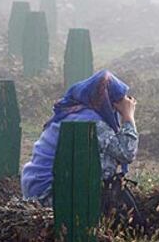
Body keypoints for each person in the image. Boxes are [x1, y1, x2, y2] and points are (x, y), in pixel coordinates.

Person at [21, 70, 141, 223]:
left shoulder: (74, 112)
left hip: (39, 186)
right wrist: (128, 116)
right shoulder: (90, 121)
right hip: (50, 192)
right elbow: (126, 152)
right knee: (114, 190)